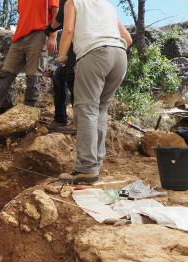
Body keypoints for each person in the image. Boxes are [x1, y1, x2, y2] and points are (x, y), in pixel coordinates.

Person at [57, 0, 132, 184]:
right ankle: (96, 164)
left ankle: (86, 168)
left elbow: (67, 31)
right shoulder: (107, 5)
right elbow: (128, 39)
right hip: (120, 56)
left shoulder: (72, 2)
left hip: (95, 53)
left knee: (86, 109)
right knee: (100, 109)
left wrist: (61, 57)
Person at [0, 0, 59, 118]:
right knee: (5, 73)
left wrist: (53, 35)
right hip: (19, 36)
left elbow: (56, 11)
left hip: (39, 33)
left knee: (33, 76)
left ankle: (29, 114)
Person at [45, 0, 77, 134]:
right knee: (59, 75)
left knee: (73, 79)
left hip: (83, 46)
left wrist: (50, 29)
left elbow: (59, 21)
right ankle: (60, 118)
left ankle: (79, 123)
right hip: (74, 44)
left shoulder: (69, 2)